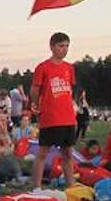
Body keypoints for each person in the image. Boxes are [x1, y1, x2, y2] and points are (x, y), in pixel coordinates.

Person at [29, 32, 77, 189]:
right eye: (61, 46)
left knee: (68, 154)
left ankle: (71, 186)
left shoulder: (69, 68)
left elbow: (70, 89)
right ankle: (36, 187)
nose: (64, 49)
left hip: (68, 118)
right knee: (42, 153)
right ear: (52, 47)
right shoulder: (43, 68)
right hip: (50, 117)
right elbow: (35, 90)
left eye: (67, 46)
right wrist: (36, 104)